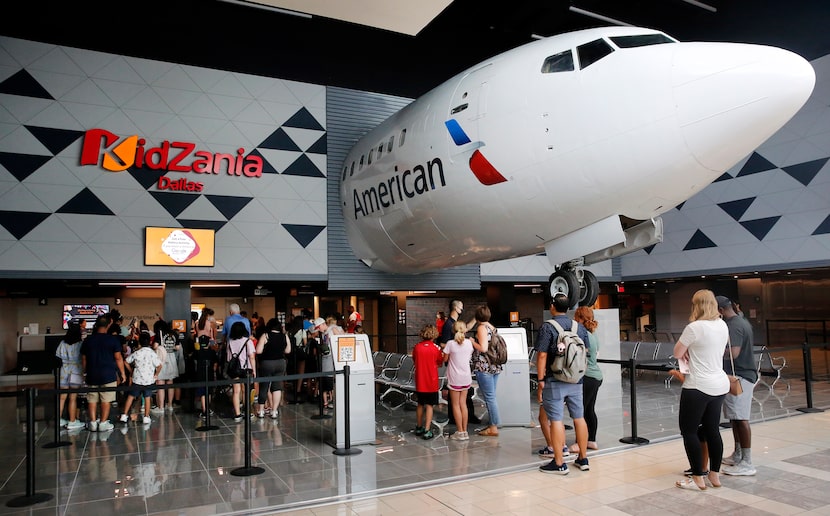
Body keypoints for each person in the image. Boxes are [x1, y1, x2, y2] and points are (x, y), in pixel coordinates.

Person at [673, 289, 729, 491]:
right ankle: (714, 474)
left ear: (696, 305)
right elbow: (719, 351)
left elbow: (677, 352)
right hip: (720, 383)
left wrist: (688, 350)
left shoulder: (694, 327)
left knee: (689, 431)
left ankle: (698, 476)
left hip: (698, 385)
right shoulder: (722, 325)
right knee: (712, 429)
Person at [536, 292, 591, 475]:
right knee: (579, 417)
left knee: (556, 419)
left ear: (553, 306)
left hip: (555, 379)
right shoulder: (579, 327)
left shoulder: (548, 327)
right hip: (577, 379)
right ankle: (583, 458)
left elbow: (542, 354)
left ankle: (559, 463)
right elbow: (586, 351)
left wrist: (541, 379)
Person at [717, 295, 758, 476]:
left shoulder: (734, 325)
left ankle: (747, 462)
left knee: (741, 418)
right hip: (741, 375)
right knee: (735, 417)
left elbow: (733, 353)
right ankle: (738, 454)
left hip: (740, 376)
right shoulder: (741, 321)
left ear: (719, 310)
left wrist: (714, 352)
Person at [81, 315, 127, 432]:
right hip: (108, 374)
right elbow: (118, 358)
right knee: (106, 399)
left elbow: (84, 359)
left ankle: (92, 422)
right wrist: (122, 373)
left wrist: (85, 372)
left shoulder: (88, 340)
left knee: (92, 399)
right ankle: (103, 423)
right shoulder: (112, 340)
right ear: (108, 325)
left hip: (92, 373)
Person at [437, 300, 479, 424]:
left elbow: (445, 348)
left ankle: (459, 425)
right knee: (462, 401)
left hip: (455, 371)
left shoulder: (453, 338)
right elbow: (444, 344)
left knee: (457, 401)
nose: (463, 308)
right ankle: (461, 425)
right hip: (462, 372)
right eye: (461, 306)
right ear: (455, 308)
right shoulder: (467, 344)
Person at [569, 306, 603, 453]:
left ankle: (579, 443)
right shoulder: (594, 333)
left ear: (580, 318)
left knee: (579, 412)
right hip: (596, 376)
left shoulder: (581, 334)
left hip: (587, 376)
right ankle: (592, 441)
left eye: (577, 317)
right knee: (589, 410)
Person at [470, 305, 502, 437]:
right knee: (492, 396)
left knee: (489, 397)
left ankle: (493, 426)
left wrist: (472, 341)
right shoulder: (491, 328)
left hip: (484, 367)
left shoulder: (481, 328)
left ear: (477, 317)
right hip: (494, 366)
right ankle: (493, 423)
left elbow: (483, 348)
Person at [119, 330, 162, 425]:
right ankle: (146, 417)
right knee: (147, 398)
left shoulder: (137, 353)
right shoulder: (152, 353)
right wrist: (156, 374)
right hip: (148, 380)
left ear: (139, 342)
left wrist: (131, 371)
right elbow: (159, 365)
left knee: (131, 397)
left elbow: (126, 361)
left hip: (137, 379)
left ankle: (124, 415)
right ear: (150, 342)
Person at [443, 320, 475, 440]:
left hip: (454, 377)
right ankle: (465, 431)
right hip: (466, 377)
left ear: (453, 330)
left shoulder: (450, 344)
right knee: (463, 403)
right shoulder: (468, 343)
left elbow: (445, 359)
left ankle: (460, 431)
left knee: (455, 405)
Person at [412, 325, 443, 440]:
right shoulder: (436, 348)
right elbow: (439, 362)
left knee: (420, 404)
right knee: (430, 405)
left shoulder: (417, 347)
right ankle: (427, 429)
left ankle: (419, 426)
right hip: (431, 381)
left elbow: (414, 360)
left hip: (420, 380)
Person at [256, 318, 291, 419]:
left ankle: (261, 411)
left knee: (264, 386)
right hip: (280, 363)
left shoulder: (266, 335)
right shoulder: (284, 336)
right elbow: (288, 350)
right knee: (277, 387)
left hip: (266, 363)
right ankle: (274, 411)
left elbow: (258, 351)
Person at [56, 322, 86, 430]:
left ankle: (58, 420)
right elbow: (83, 358)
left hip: (64, 371)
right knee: (73, 397)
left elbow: (58, 357)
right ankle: (72, 421)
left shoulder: (62, 343)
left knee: (62, 397)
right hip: (76, 371)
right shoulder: (80, 344)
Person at [226, 321, 257, 422]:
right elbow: (252, 357)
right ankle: (247, 412)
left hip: (234, 369)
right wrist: (254, 370)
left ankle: (237, 414)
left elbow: (228, 358)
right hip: (246, 369)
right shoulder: (248, 341)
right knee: (245, 391)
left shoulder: (230, 342)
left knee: (236, 391)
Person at [152, 318, 179, 413]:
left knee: (160, 383)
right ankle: (170, 405)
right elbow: (178, 347)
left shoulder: (159, 334)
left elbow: (155, 346)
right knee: (170, 383)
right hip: (172, 358)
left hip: (162, 359)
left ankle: (161, 407)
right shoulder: (174, 334)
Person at [193, 335, 219, 419]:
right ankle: (208, 408)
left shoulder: (197, 352)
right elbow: (215, 363)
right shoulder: (212, 352)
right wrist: (214, 371)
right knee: (209, 392)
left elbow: (194, 360)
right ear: (208, 343)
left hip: (200, 375)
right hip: (210, 374)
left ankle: (204, 410)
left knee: (202, 393)